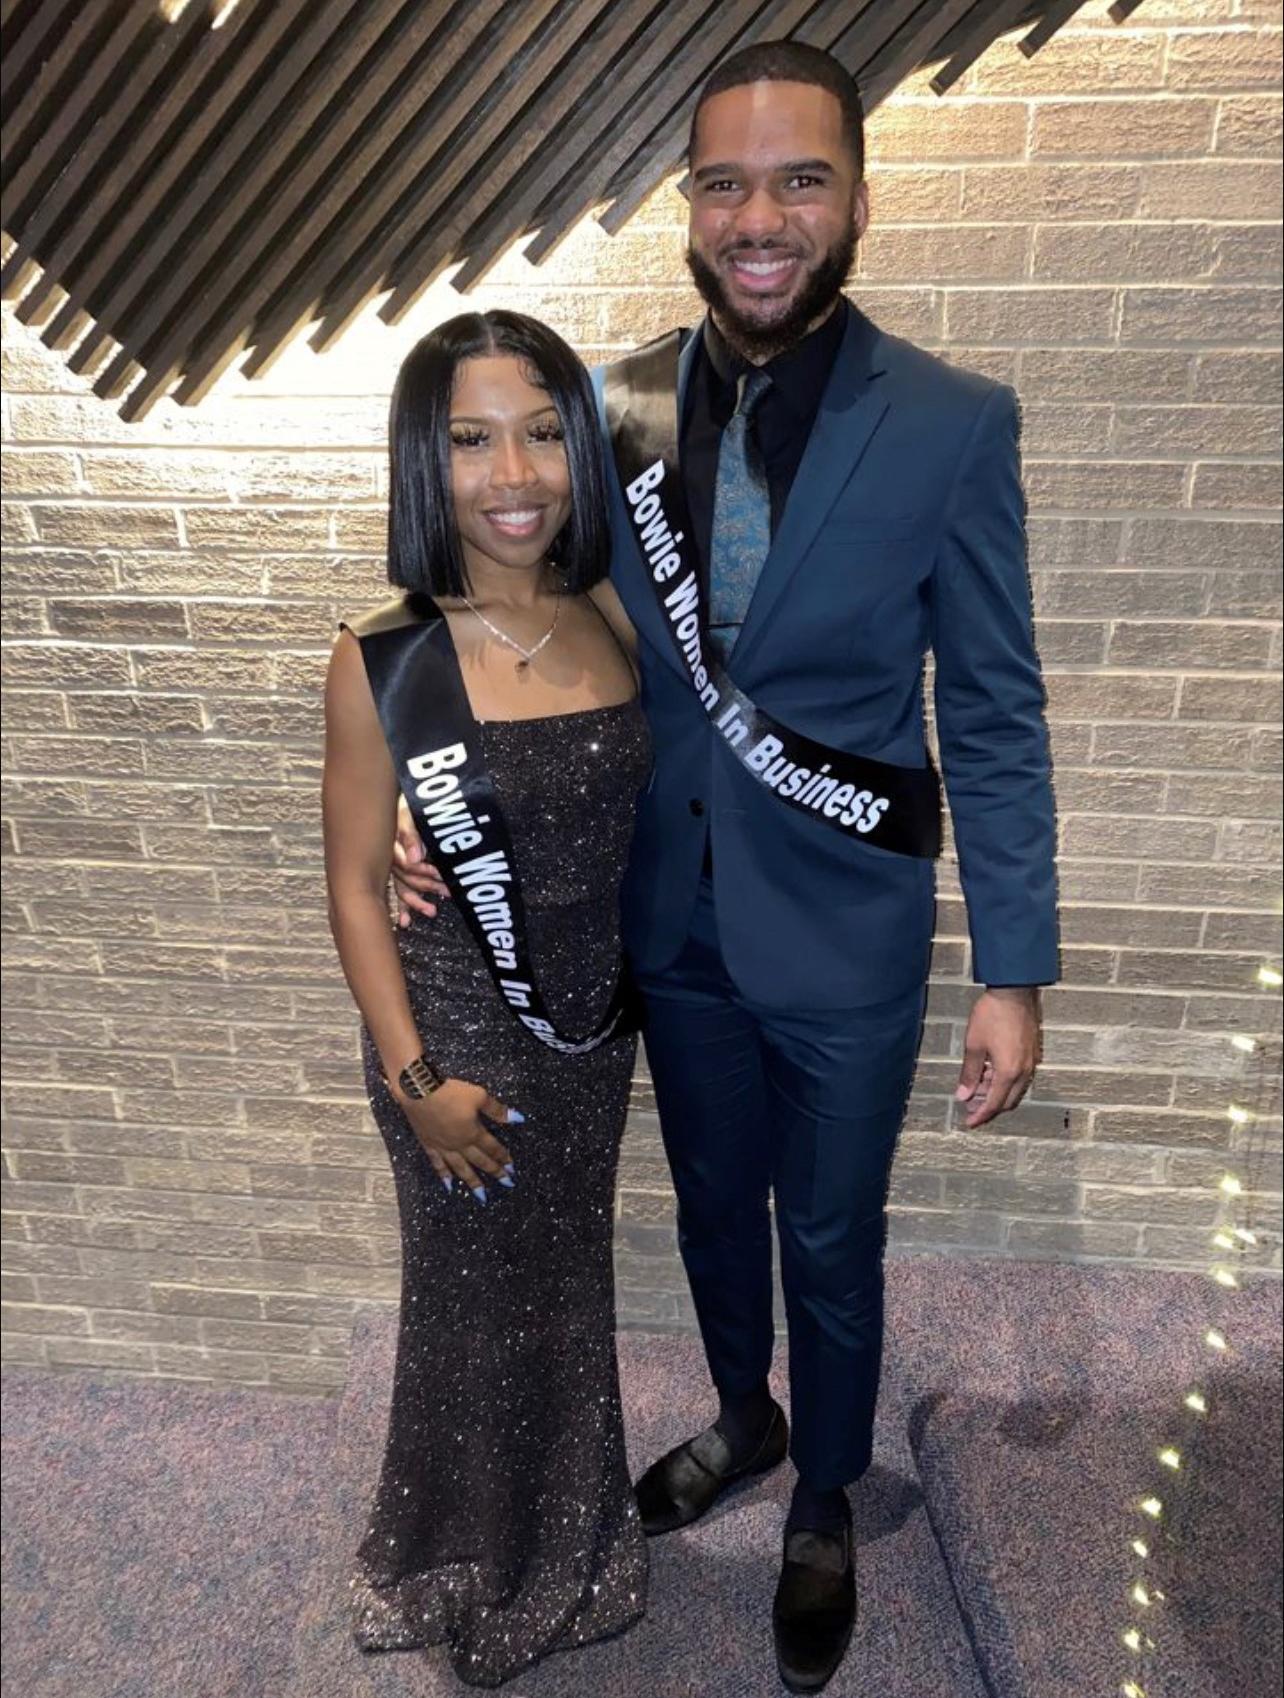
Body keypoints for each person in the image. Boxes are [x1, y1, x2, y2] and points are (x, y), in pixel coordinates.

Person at [396, 41, 1058, 1695]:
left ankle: (823, 1491)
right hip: (669, 923)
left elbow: (991, 708)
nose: (760, 218)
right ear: (689, 205)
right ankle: (744, 1415)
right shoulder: (608, 408)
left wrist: (1013, 968)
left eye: (799, 180)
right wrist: (425, 781)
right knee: (708, 1206)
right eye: (725, 184)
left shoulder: (955, 425)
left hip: (847, 935)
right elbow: (517, 608)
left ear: (856, 201)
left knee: (830, 1234)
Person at [322, 309, 650, 1687]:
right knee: (468, 1304)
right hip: (450, 1040)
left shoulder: (616, 613)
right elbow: (355, 889)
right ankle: (456, 1550)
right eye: (470, 438)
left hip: (590, 1040)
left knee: (566, 1288)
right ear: (425, 458)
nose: (512, 473)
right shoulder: (385, 658)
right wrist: (415, 1084)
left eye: (542, 432)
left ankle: (572, 1529)